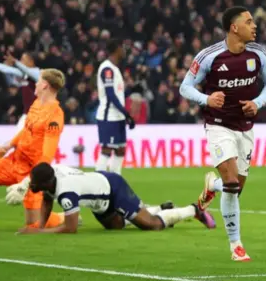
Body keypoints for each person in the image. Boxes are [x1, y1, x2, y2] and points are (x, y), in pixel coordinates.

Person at [180, 6, 266, 261]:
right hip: (218, 126)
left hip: (245, 128)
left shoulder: (258, 53)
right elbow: (185, 87)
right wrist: (206, 99)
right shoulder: (210, 56)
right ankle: (236, 245)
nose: (254, 25)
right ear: (234, 28)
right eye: (249, 21)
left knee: (234, 188)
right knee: (232, 184)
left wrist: (258, 102)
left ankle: (212, 185)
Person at [0, 68, 68, 228]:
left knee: (33, 223)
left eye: (39, 80)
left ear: (45, 86)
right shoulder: (36, 104)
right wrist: (7, 146)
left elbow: (47, 156)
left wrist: (28, 181)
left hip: (32, 170)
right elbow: (26, 130)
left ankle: (64, 217)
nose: (36, 83)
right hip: (15, 160)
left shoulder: (55, 115)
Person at [16, 163, 215, 234]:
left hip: (113, 188)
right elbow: (47, 199)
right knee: (116, 226)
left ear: (46, 183)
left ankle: (193, 210)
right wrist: (40, 226)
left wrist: (39, 234)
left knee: (151, 225)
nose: (32, 185)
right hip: (99, 201)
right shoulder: (53, 180)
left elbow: (71, 228)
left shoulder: (66, 193)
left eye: (34, 182)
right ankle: (158, 208)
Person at [95, 39, 136, 175]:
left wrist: (132, 89)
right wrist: (127, 114)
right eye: (122, 48)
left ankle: (115, 181)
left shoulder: (115, 69)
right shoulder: (107, 69)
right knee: (107, 150)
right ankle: (98, 182)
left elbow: (119, 95)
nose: (124, 50)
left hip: (117, 116)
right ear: (116, 50)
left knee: (120, 150)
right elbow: (111, 96)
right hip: (109, 116)